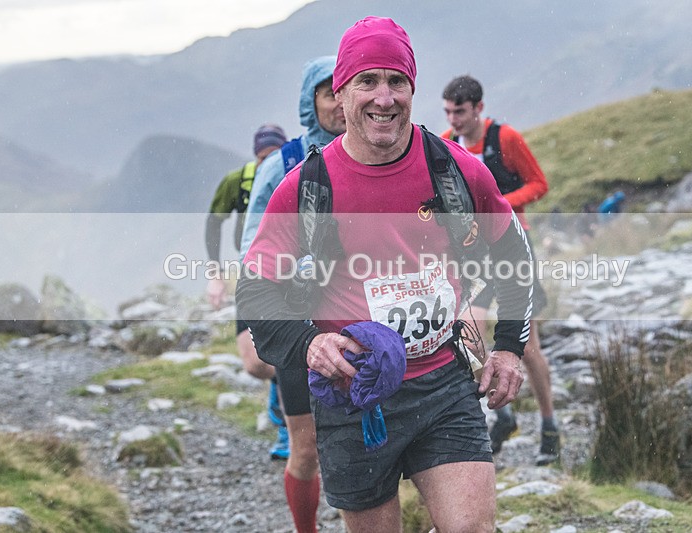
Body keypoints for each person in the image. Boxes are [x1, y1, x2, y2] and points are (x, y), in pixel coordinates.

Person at [236, 17, 533, 532]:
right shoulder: (307, 187)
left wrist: (508, 346)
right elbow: (256, 290)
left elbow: (515, 253)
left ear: (412, 89)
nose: (384, 97)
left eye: (397, 81)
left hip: (445, 384)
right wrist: (307, 345)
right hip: (354, 395)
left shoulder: (455, 169)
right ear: (342, 95)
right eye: (367, 82)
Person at [238, 55, 345, 533]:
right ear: (311, 102)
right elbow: (253, 250)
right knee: (306, 448)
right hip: (296, 321)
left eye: (345, 90)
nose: (340, 103)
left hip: (361, 319)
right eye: (329, 93)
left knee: (367, 444)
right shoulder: (282, 164)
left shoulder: (380, 158)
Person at [441, 74, 561, 465]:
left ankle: (549, 425)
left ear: (478, 108)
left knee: (528, 347)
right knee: (467, 334)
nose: (453, 119)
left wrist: (499, 204)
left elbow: (539, 184)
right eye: (448, 112)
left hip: (514, 249)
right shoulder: (444, 144)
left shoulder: (505, 139)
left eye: (459, 111)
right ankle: (504, 413)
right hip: (473, 254)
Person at [204, 123, 289, 456]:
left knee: (291, 351)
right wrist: (215, 273)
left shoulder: (296, 171)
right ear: (256, 155)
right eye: (264, 156)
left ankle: (288, 430)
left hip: (291, 276)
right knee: (255, 363)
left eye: (275, 155)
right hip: (251, 276)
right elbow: (214, 220)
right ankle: (280, 394)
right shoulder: (238, 181)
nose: (269, 162)